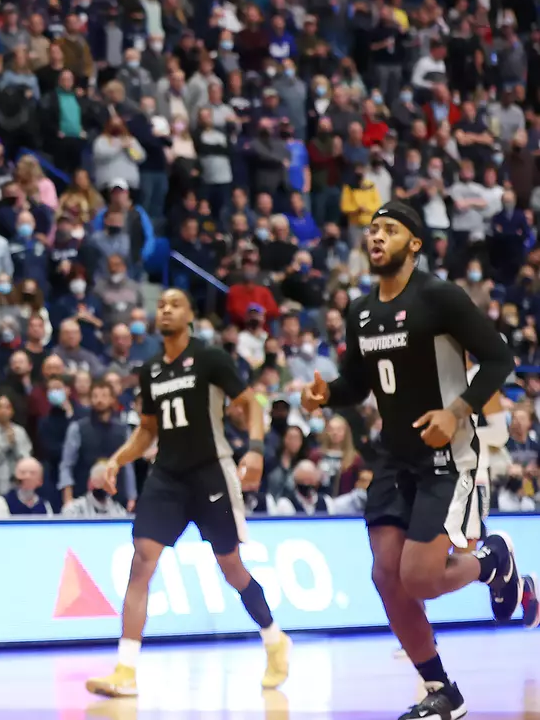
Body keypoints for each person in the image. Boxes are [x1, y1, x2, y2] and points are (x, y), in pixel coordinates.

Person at [301, 201, 534, 720]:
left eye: (389, 229)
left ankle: (493, 560)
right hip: (393, 457)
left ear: (414, 243)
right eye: (372, 229)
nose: (376, 236)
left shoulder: (440, 297)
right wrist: (326, 395)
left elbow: (500, 359)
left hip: (446, 455)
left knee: (419, 578)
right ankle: (442, 691)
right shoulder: (361, 311)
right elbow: (359, 383)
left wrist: (457, 412)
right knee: (386, 577)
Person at [86, 288, 286, 698]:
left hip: (211, 472)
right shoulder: (152, 369)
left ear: (191, 314)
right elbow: (147, 430)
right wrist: (117, 459)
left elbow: (251, 405)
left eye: (175, 304)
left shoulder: (210, 357)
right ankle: (125, 669)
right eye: (161, 305)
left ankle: (274, 640)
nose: (166, 310)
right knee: (141, 560)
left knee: (231, 567)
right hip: (167, 477)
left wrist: (256, 450)